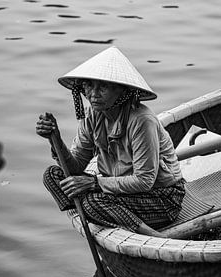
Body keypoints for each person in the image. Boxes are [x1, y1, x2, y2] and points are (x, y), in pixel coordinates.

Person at [36, 46, 185, 237]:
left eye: (103, 87)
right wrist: (54, 139)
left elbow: (144, 181)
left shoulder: (141, 120)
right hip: (119, 193)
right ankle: (97, 211)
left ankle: (157, 237)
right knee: (52, 175)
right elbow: (75, 167)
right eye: (89, 85)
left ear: (123, 91)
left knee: (92, 203)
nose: (93, 94)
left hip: (162, 198)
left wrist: (93, 184)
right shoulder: (92, 115)